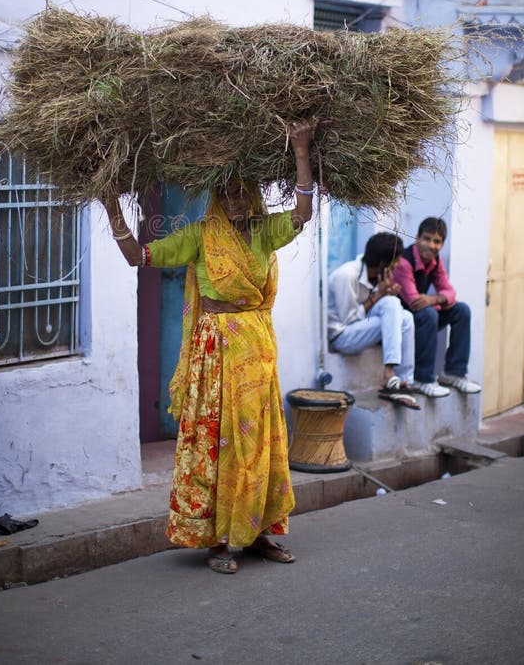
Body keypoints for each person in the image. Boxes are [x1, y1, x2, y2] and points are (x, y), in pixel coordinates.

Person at [103, 120, 315, 575]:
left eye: (243, 192)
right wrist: (110, 206)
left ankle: (257, 532)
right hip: (215, 356)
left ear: (253, 196)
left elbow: (301, 214)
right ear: (218, 197)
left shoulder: (263, 232)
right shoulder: (200, 235)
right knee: (218, 443)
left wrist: (301, 151)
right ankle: (220, 540)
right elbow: (138, 257)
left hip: (257, 354)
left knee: (258, 444)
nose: (237, 201)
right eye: (229, 194)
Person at [327, 233, 419, 409]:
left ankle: (403, 381)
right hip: (342, 336)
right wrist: (379, 295)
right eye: (395, 261)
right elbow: (350, 320)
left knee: (405, 316)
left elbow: (375, 308)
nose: (398, 265)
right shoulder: (346, 275)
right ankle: (389, 373)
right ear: (383, 264)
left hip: (360, 328)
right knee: (391, 304)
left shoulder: (376, 275)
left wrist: (385, 293)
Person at [393, 217, 480, 397]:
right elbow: (414, 302)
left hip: (423, 316)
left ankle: (454, 373)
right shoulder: (404, 262)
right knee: (428, 314)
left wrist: (434, 299)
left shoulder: (435, 261)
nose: (431, 245)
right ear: (417, 238)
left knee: (462, 310)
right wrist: (440, 300)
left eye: (437, 241)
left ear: (442, 244)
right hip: (402, 322)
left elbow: (449, 292)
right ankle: (422, 379)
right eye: (426, 238)